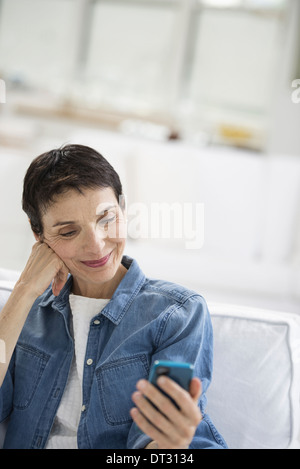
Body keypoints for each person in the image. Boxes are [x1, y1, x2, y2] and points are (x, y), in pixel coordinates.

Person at [0, 144, 227, 449]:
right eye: (68, 232)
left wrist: (169, 445)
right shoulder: (25, 315)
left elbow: (156, 443)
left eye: (106, 218)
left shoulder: (175, 315)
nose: (96, 245)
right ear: (38, 234)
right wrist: (24, 290)